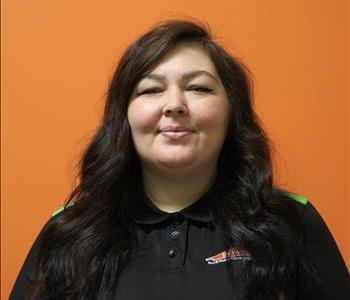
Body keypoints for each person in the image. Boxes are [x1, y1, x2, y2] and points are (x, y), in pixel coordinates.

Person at [9, 18, 349, 300]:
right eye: (151, 90)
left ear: (232, 114)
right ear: (123, 117)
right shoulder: (70, 230)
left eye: (199, 88)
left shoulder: (291, 222)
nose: (174, 104)